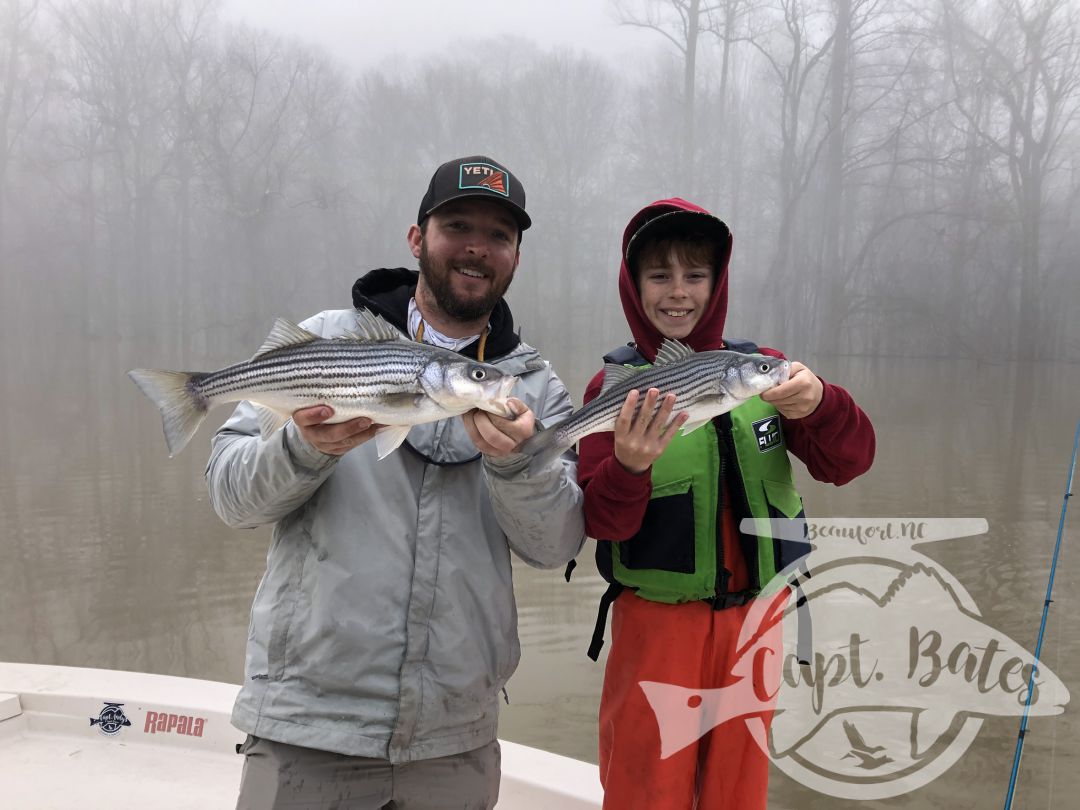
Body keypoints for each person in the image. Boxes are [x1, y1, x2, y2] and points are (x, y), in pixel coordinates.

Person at [205, 155, 586, 810]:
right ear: (417, 240)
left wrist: (515, 465)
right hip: (307, 727)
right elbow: (231, 498)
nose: (476, 247)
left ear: (516, 256)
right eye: (457, 225)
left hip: (455, 740)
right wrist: (302, 446)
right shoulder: (326, 341)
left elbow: (556, 547)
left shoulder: (533, 386)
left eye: (499, 235)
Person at [577, 198, 876, 810]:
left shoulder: (768, 376)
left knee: (737, 794)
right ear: (634, 288)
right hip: (656, 627)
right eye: (659, 275)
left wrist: (821, 402)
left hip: (754, 629)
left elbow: (850, 462)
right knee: (643, 791)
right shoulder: (614, 388)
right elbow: (600, 522)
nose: (678, 293)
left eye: (695, 275)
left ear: (717, 284)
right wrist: (630, 466)